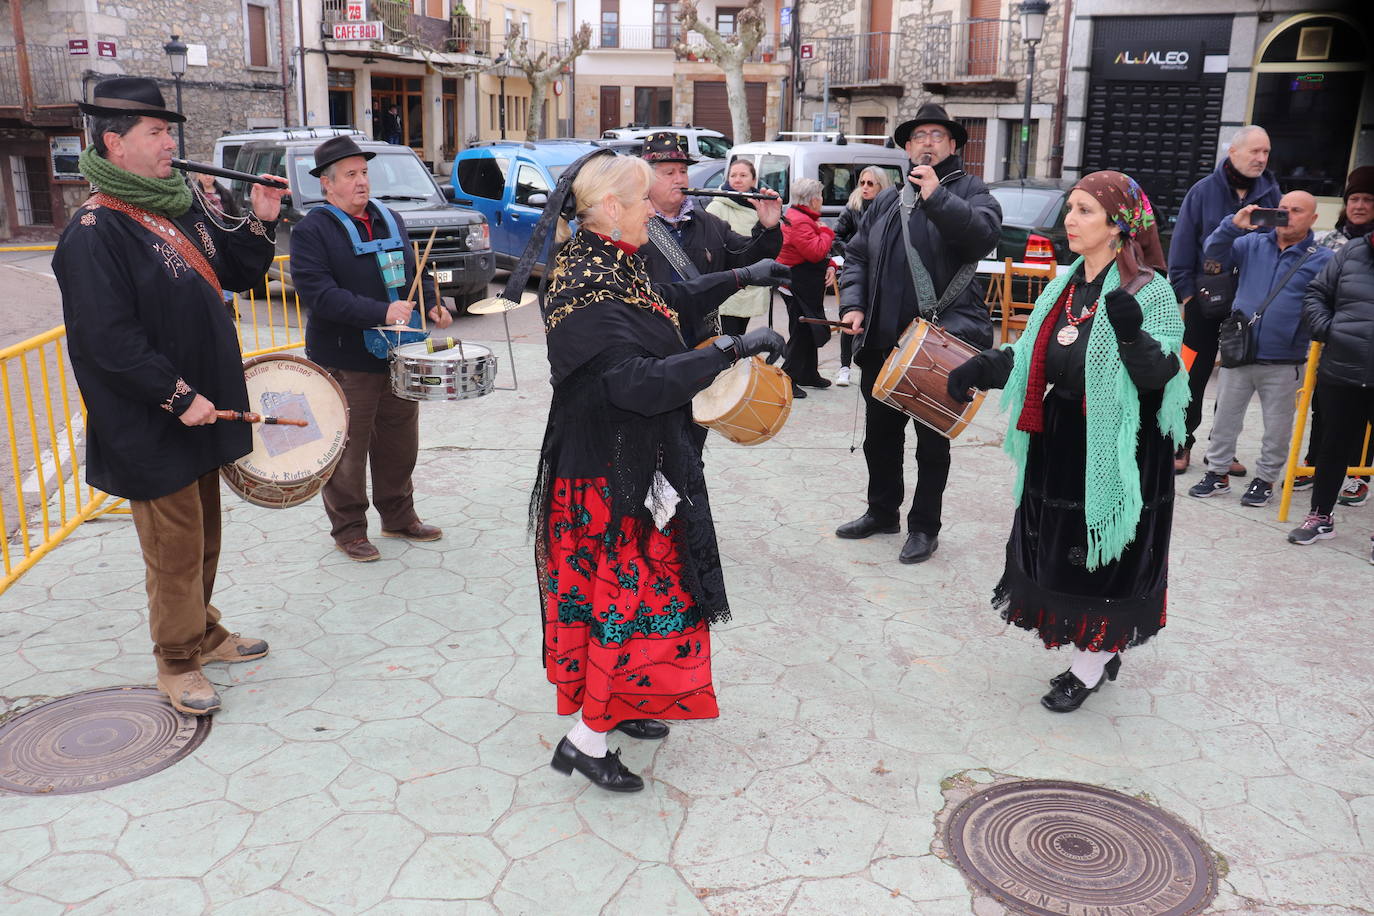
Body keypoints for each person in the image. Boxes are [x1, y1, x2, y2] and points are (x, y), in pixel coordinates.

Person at [532, 153, 784, 791]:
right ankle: (586, 740)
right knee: (625, 602)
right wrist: (728, 349)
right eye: (644, 200)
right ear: (613, 208)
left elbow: (667, 298)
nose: (654, 210)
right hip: (605, 478)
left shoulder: (610, 260)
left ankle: (622, 702)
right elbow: (633, 383)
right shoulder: (585, 285)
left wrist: (741, 275)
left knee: (639, 601)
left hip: (632, 463)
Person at [53, 77, 286, 715]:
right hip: (152, 420)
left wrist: (261, 219)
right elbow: (107, 339)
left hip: (198, 410)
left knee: (203, 534)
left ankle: (203, 631)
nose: (168, 143)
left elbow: (236, 270)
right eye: (155, 132)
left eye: (168, 132)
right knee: (174, 546)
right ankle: (176, 658)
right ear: (113, 143)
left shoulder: (176, 204)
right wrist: (178, 395)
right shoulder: (94, 232)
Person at [946, 171, 1189, 712]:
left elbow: (1161, 376)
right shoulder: (1066, 284)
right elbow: (1036, 354)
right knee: (1062, 554)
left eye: (1083, 211)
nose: (1069, 221)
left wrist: (1132, 334)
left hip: (1118, 447)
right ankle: (1102, 646)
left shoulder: (1152, 292)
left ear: (1118, 225)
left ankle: (1090, 664)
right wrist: (983, 365)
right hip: (1060, 440)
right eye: (1071, 208)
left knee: (1103, 561)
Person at [836, 102, 1001, 565]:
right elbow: (858, 257)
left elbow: (981, 237)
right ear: (906, 148)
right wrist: (853, 305)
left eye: (937, 136)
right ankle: (882, 511)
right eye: (919, 136)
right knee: (880, 439)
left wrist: (937, 198)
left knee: (932, 445)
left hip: (941, 343)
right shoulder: (886, 200)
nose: (927, 143)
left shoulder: (971, 191)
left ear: (952, 146)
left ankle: (924, 526)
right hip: (884, 342)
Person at [290, 135, 452, 562]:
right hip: (345, 358)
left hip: (399, 355)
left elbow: (412, 271)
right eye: (351, 175)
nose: (362, 182)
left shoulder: (390, 218)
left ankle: (398, 516)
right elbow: (319, 295)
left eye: (364, 173)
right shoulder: (311, 231)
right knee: (348, 449)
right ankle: (349, 529)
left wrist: (432, 304)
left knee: (400, 440)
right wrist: (382, 311)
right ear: (327, 184)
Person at [1185, 192, 1330, 508]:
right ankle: (1217, 473)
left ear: (1313, 219)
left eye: (1296, 210)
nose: (1287, 215)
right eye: (1282, 209)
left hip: (1286, 358)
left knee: (1277, 427)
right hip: (1240, 349)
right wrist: (1234, 225)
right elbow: (1212, 254)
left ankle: (1265, 480)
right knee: (1225, 418)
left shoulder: (1323, 258)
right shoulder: (1251, 245)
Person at [1167, 125, 1282, 476]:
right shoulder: (1203, 192)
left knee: (1236, 380)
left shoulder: (1273, 194)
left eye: (1266, 152)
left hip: (1248, 307)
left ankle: (1222, 450)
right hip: (1203, 301)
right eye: (1255, 151)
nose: (1261, 159)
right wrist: (1187, 295)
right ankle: (1180, 442)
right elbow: (1182, 246)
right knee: (1191, 376)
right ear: (1233, 152)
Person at [638, 131, 783, 347]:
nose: (679, 179)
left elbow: (747, 257)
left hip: (702, 342)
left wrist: (768, 227)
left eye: (683, 171)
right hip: (652, 344)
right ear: (646, 180)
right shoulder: (633, 227)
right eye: (669, 173)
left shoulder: (709, 223)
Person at [1290, 219, 1374, 555]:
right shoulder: (1353, 250)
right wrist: (1327, 329)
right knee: (1332, 447)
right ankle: (1320, 516)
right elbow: (1315, 293)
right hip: (1342, 371)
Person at [1310, 165, 1374, 501]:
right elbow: (1317, 291)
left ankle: (1358, 474)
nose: (1360, 205)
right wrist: (1328, 329)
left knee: (1363, 429)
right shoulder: (1331, 242)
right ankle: (1315, 467)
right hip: (1336, 348)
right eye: (1354, 199)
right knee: (1325, 413)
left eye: (1367, 199)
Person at [832, 166, 893, 386]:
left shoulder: (890, 210)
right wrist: (852, 254)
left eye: (870, 183)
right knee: (850, 317)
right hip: (856, 273)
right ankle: (844, 367)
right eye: (862, 183)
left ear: (881, 186)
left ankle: (881, 368)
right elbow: (835, 237)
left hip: (882, 274)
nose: (865, 187)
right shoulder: (852, 208)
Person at [776, 178, 836, 398]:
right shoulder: (801, 221)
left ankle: (809, 373)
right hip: (797, 285)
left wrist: (829, 263)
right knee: (801, 332)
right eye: (820, 196)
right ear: (813, 199)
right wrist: (827, 233)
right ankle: (787, 378)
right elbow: (815, 252)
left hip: (802, 283)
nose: (822, 199)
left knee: (811, 328)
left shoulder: (799, 216)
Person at [705, 158, 771, 338]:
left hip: (753, 278)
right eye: (733, 175)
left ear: (753, 180)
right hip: (728, 279)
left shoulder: (761, 205)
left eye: (743, 175)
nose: (737, 179)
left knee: (740, 334)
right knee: (729, 337)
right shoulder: (717, 206)